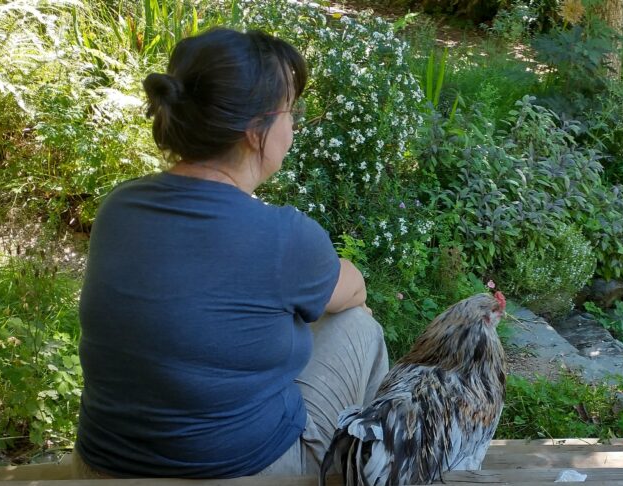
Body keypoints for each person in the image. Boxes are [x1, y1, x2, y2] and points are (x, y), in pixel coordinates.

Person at [73, 28, 389, 479]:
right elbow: (354, 290)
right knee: (358, 324)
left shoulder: (120, 206)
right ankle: (371, 464)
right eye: (290, 111)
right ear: (253, 130)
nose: (293, 125)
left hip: (100, 468)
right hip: (237, 473)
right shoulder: (283, 236)